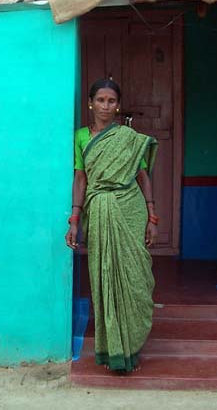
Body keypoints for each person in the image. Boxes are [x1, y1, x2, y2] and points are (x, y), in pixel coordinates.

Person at [65, 78, 158, 373]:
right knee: (105, 276)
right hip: (99, 210)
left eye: (111, 101)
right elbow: (80, 178)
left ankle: (132, 346)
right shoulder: (81, 137)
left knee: (135, 277)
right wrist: (75, 219)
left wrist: (152, 216)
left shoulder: (128, 137)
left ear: (118, 106)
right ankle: (114, 351)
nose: (106, 106)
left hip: (130, 209)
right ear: (90, 103)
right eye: (100, 100)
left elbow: (142, 176)